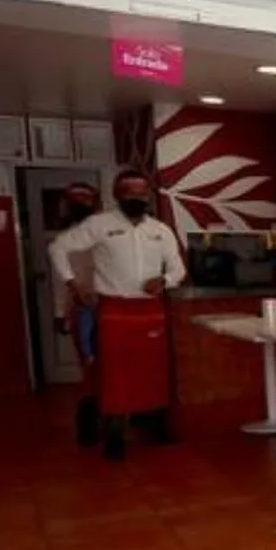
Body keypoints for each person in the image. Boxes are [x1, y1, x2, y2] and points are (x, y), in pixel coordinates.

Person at [50, 168, 186, 459]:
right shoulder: (99, 224)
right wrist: (73, 286)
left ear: (149, 195)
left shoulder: (160, 230)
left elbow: (178, 268)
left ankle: (156, 426)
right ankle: (114, 436)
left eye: (142, 191)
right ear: (116, 194)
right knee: (114, 376)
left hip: (151, 311)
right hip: (114, 311)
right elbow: (58, 248)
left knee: (153, 372)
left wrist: (165, 280)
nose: (136, 196)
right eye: (129, 191)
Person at [50, 182, 103, 446]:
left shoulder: (106, 235)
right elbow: (61, 281)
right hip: (83, 311)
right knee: (91, 369)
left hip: (112, 309)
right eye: (77, 201)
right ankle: (90, 427)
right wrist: (60, 313)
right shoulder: (65, 241)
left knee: (115, 366)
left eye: (86, 200)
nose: (82, 206)